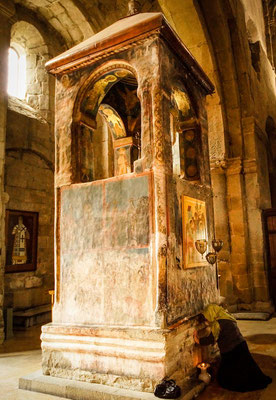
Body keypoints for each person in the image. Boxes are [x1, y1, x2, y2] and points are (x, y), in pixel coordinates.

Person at [194, 304, 272, 392]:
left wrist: (198, 340)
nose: (206, 320)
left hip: (232, 351)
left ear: (212, 313)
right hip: (241, 345)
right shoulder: (226, 316)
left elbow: (211, 339)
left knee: (226, 378)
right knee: (247, 369)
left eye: (207, 317)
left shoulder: (218, 324)